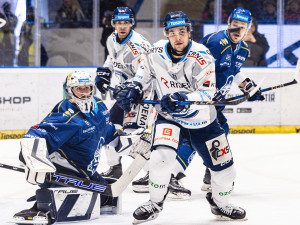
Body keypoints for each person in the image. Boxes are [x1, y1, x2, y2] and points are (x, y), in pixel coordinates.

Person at [114, 11, 250, 224]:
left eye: (182, 32)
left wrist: (181, 98)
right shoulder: (155, 51)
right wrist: (133, 87)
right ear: (166, 34)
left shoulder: (203, 55)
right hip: (169, 117)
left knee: (226, 170)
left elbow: (207, 93)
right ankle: (155, 203)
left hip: (202, 119)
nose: (178, 37)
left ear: (189, 33)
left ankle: (221, 205)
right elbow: (143, 76)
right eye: (172, 33)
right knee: (160, 160)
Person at [12, 71, 121, 224]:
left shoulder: (100, 107)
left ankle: (51, 196)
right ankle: (43, 203)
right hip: (63, 172)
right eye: (79, 89)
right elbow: (37, 134)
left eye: (87, 88)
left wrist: (129, 142)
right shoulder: (67, 114)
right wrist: (33, 160)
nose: (84, 93)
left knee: (108, 196)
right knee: (58, 207)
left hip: (85, 171)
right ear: (70, 90)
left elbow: (109, 131)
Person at [95, 6, 152, 180]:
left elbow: (148, 74)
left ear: (131, 24)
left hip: (142, 97)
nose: (122, 26)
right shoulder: (112, 39)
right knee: (109, 128)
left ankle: (152, 173)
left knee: (136, 136)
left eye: (126, 23)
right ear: (113, 24)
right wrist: (105, 72)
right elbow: (111, 59)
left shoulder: (139, 46)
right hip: (123, 96)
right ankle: (115, 167)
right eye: (119, 23)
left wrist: (133, 89)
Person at [0, 1, 17, 66]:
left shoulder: (13, 17)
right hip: (1, 40)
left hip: (10, 40)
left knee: (9, 58)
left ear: (9, 8)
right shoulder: (1, 17)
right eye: (4, 8)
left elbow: (11, 27)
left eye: (6, 8)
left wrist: (5, 27)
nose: (5, 9)